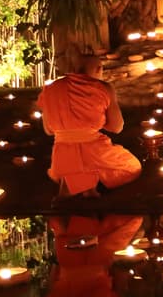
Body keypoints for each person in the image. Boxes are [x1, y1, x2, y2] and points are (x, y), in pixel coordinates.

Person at [38, 52, 141, 198]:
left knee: (77, 173)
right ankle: (86, 186)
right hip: (95, 152)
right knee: (132, 167)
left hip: (62, 157)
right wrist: (90, 124)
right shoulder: (103, 87)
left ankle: (77, 185)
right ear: (99, 69)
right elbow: (117, 127)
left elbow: (48, 130)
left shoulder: (51, 88)